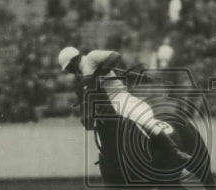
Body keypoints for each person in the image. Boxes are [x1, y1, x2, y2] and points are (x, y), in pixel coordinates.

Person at [57, 46, 192, 165]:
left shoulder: (91, 58)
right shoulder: (80, 76)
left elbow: (115, 55)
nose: (69, 71)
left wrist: (101, 71)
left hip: (120, 98)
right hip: (104, 106)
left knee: (143, 120)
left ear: (74, 60)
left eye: (68, 67)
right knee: (101, 137)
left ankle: (174, 151)